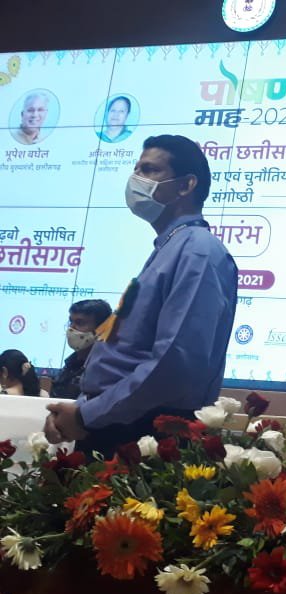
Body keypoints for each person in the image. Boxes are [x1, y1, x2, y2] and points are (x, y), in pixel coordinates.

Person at [43, 134, 238, 459]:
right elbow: (128, 358)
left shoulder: (198, 251)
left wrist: (86, 415)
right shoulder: (171, 247)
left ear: (186, 185)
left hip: (148, 432)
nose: (136, 179)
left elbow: (173, 366)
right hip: (117, 422)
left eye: (149, 170)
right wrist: (81, 409)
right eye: (136, 169)